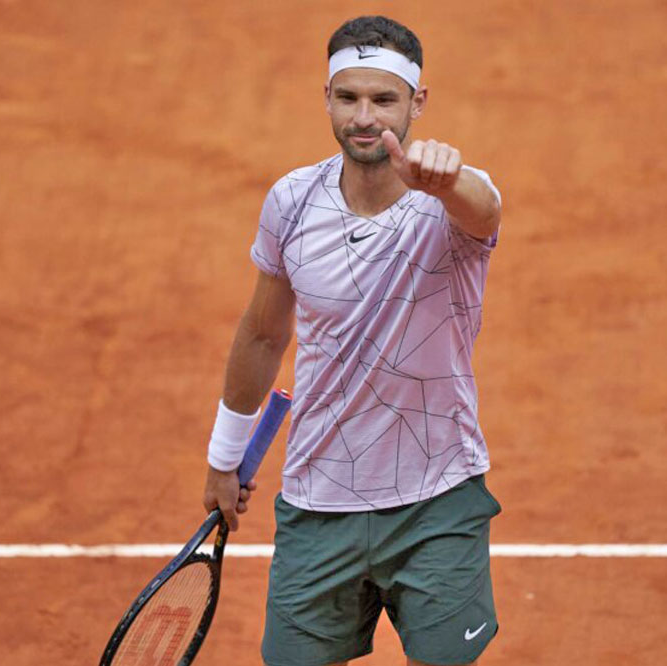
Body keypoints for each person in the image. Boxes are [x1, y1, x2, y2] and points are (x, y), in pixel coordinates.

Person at [202, 15, 503, 666]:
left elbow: (485, 210)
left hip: (438, 498)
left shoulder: (448, 201)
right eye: (348, 97)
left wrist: (449, 180)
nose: (364, 118)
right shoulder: (291, 202)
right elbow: (263, 333)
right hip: (318, 497)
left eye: (384, 99)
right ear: (328, 98)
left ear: (417, 103)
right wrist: (224, 457)